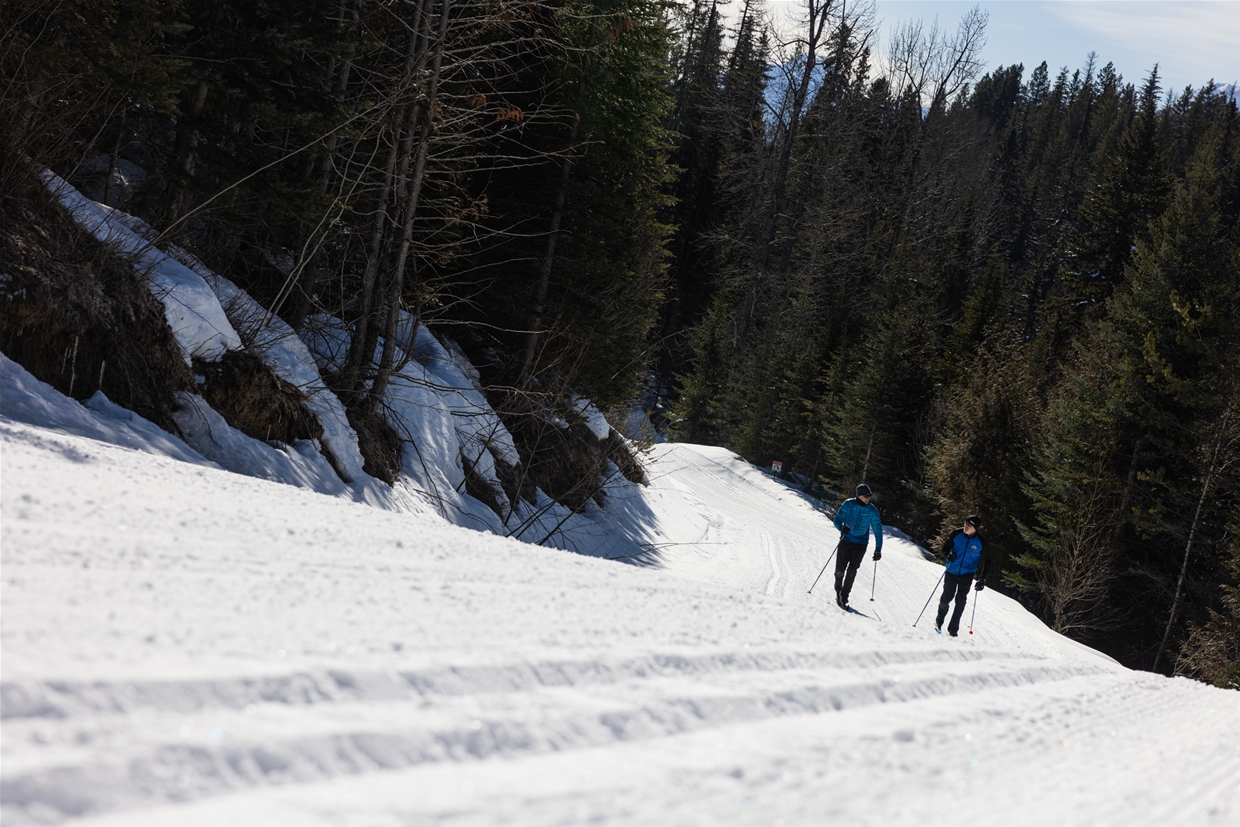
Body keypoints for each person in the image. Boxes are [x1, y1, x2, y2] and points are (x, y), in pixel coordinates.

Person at [831, 483, 883, 610]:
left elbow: (878, 530)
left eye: (870, 496)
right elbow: (837, 520)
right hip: (846, 540)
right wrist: (842, 528)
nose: (868, 498)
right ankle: (838, 588)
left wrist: (878, 549)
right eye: (866, 496)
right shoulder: (848, 504)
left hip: (861, 544)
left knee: (852, 571)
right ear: (859, 496)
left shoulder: (872, 510)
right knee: (840, 569)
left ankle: (844, 595)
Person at [935, 515, 989, 636]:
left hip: (967, 574)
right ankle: (939, 620)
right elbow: (945, 548)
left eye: (969, 525)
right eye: (965, 523)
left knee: (961, 601)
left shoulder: (981, 542)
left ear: (975, 528)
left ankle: (953, 629)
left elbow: (988, 560)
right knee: (947, 597)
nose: (965, 526)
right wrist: (948, 555)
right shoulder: (956, 534)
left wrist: (982, 579)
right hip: (952, 571)